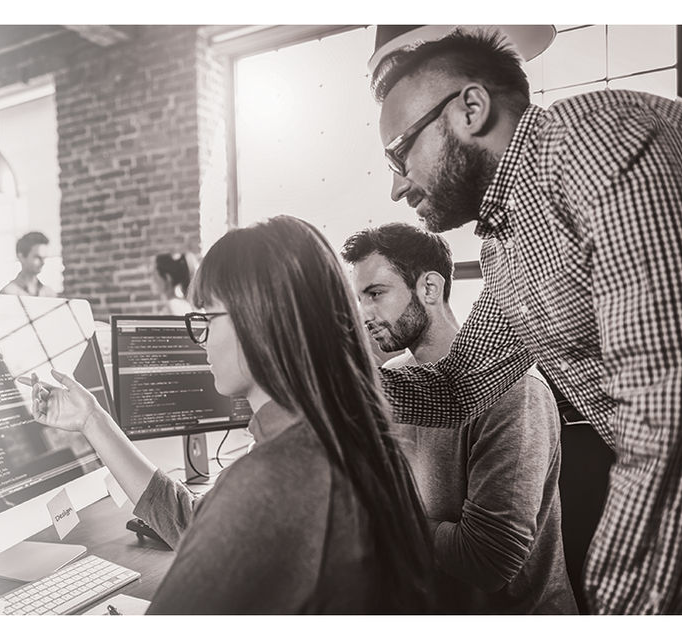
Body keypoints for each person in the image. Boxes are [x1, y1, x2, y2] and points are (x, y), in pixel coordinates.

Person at [370, 28, 682, 613]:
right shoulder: (505, 243)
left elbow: (672, 418)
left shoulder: (601, 143)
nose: (395, 187)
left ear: (470, 108)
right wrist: (321, 373)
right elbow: (464, 386)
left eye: (399, 152)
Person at [24, 215, 435, 613]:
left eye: (206, 318)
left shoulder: (273, 477)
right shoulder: (354, 437)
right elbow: (198, 525)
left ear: (261, 321)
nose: (200, 339)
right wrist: (92, 419)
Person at [343, 222, 575, 613]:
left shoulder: (514, 391)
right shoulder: (396, 380)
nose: (364, 314)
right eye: (359, 299)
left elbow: (485, 561)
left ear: (429, 288)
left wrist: (383, 519)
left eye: (376, 294)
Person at [0, 231, 56, 297]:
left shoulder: (49, 293)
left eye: (44, 258)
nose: (43, 262)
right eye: (38, 257)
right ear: (21, 257)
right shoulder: (8, 293)